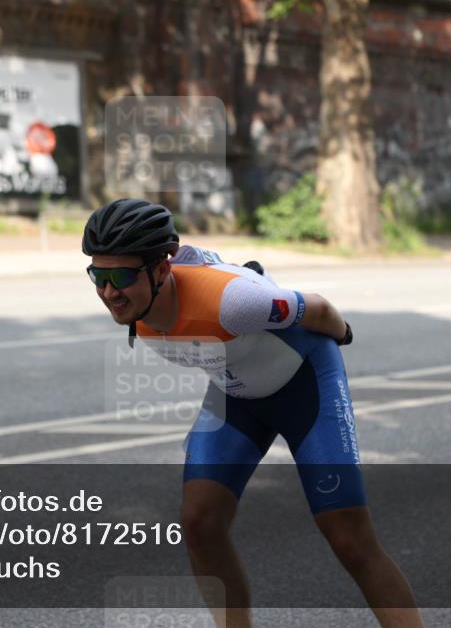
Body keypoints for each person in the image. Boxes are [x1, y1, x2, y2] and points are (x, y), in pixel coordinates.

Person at [83, 198, 424, 628]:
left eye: (122, 276)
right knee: (199, 521)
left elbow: (318, 309)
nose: (110, 291)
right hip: (235, 392)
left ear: (161, 270)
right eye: (99, 275)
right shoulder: (138, 308)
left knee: (348, 538)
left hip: (304, 382)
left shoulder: (234, 301)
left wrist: (345, 335)